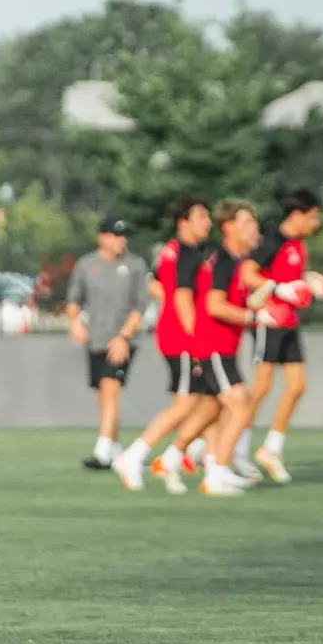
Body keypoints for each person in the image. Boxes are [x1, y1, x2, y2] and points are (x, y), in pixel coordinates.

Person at [187, 199, 286, 497]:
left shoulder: (236, 261)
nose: (253, 228)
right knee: (241, 405)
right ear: (228, 227)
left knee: (224, 410)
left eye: (254, 222)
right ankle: (215, 473)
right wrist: (255, 316)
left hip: (223, 347)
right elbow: (214, 305)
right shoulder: (225, 260)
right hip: (213, 345)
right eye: (246, 223)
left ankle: (213, 466)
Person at [113, 198, 211, 494]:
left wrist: (167, 300)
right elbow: (181, 298)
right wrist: (197, 341)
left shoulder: (174, 250)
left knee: (206, 400)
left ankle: (194, 453)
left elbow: (154, 283)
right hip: (183, 338)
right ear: (184, 221)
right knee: (186, 404)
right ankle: (134, 456)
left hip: (173, 334)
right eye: (202, 216)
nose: (208, 222)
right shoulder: (187, 255)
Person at [240, 189, 323, 484]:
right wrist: (278, 289)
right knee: (261, 388)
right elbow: (248, 274)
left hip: (289, 322)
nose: (316, 224)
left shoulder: (298, 246)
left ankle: (271, 448)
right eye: (313, 217)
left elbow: (290, 278)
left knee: (297, 386)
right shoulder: (272, 240)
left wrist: (308, 282)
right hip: (268, 321)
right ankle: (236, 447)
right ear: (297, 214)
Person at [66, 217, 148, 470]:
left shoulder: (134, 265)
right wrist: (75, 322)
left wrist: (124, 336)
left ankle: (102, 451)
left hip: (122, 339)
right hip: (96, 339)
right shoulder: (87, 264)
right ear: (102, 237)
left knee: (110, 387)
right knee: (103, 394)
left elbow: (140, 305)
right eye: (115, 235)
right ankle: (113, 447)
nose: (120, 241)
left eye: (123, 236)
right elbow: (73, 300)